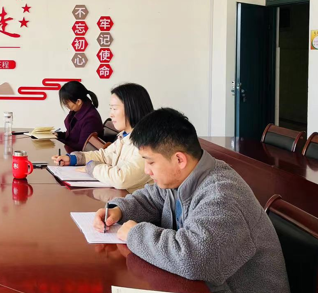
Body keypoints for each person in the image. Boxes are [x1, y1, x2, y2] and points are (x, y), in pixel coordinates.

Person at [93, 108, 290, 293]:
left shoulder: (222, 195)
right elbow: (152, 198)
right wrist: (119, 209)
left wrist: (135, 234)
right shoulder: (181, 177)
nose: (146, 170)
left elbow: (194, 260)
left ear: (179, 159)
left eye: (150, 162)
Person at [52, 83, 154, 192]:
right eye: (110, 108)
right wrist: (74, 159)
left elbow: (121, 178)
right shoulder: (124, 135)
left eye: (114, 109)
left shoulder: (148, 143)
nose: (111, 114)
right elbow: (104, 156)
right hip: (118, 195)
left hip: (131, 199)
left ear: (132, 109)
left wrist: (93, 168)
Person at [54, 81, 103, 152]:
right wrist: (58, 135)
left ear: (78, 101)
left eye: (66, 102)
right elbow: (72, 135)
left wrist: (58, 140)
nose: (65, 104)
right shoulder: (76, 111)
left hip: (81, 156)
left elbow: (81, 147)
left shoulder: (91, 119)